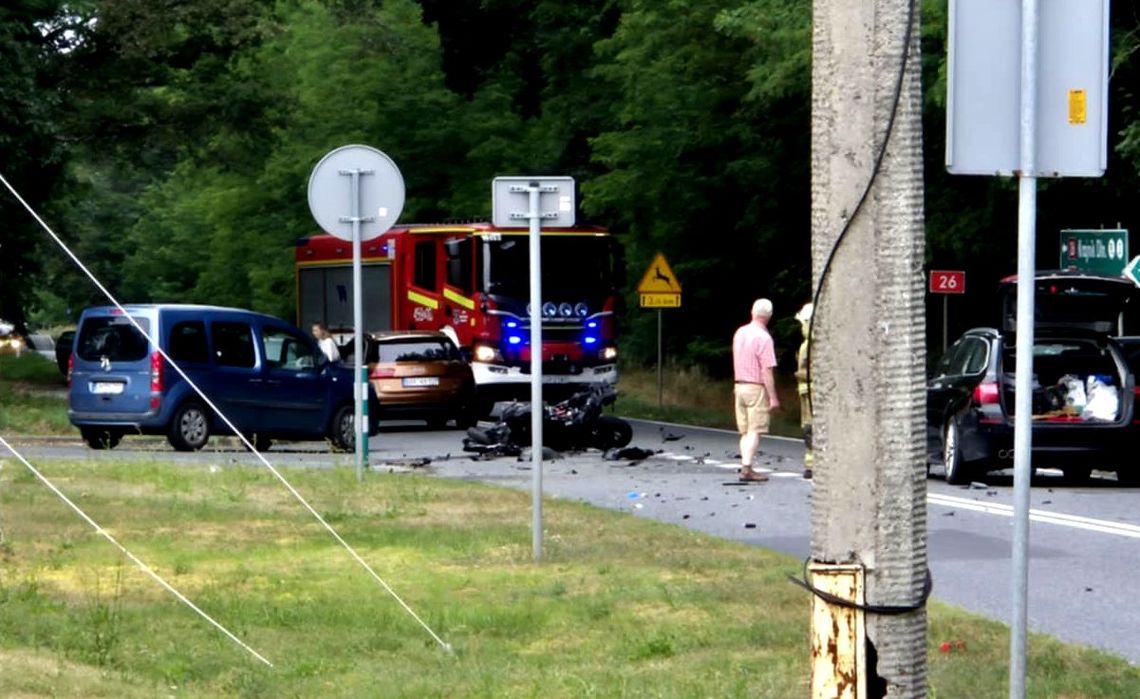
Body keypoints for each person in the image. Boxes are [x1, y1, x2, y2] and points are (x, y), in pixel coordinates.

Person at [732, 298, 780, 482]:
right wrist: (773, 397)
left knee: (745, 431)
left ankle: (746, 464)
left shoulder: (740, 332)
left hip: (739, 385)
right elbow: (766, 370)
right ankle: (747, 468)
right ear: (769, 316)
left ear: (752, 312)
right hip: (755, 387)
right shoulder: (764, 338)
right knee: (755, 430)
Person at [794, 302, 814, 479]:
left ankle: (813, 464)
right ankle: (811, 463)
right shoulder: (807, 344)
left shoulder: (810, 345)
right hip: (806, 390)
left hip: (811, 391)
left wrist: (799, 374)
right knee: (808, 427)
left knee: (810, 427)